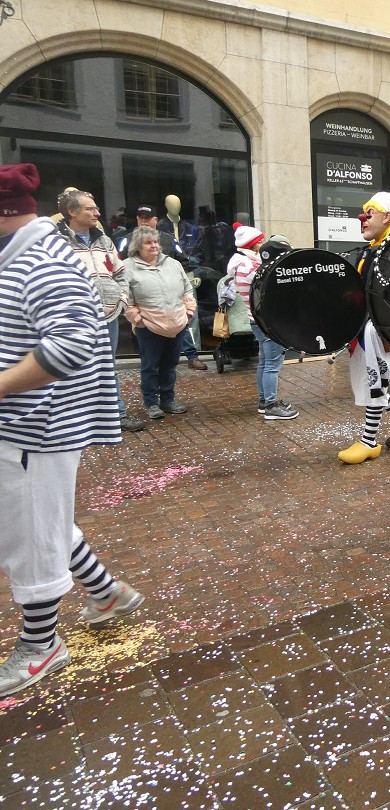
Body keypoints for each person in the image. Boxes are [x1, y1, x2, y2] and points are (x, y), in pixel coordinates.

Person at [0, 163, 145, 697]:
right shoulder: (17, 257)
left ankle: (42, 646)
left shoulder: (41, 261)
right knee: (37, 523)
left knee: (32, 534)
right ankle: (106, 594)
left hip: (36, 426)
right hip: (22, 425)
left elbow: (71, 345)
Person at [338, 193, 390, 463]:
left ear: (388, 217)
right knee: (370, 380)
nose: (363, 218)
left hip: (380, 328)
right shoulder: (374, 250)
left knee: (376, 382)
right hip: (364, 327)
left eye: (370, 212)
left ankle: (369, 441)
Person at [55, 190, 145, 433]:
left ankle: (116, 414)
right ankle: (76, 418)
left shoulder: (104, 241)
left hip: (109, 315)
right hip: (76, 319)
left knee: (107, 366)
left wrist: (122, 299)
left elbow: (119, 272)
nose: (97, 212)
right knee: (74, 366)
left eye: (96, 208)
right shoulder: (56, 242)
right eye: (90, 209)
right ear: (72, 212)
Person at [122, 226, 196, 420]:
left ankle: (168, 399)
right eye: (148, 242)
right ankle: (151, 403)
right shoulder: (127, 267)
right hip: (149, 326)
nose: (154, 245)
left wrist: (188, 313)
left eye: (155, 241)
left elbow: (187, 290)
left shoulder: (172, 263)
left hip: (177, 324)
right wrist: (138, 321)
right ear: (137, 246)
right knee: (150, 366)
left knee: (170, 365)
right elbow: (125, 300)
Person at [120, 206, 207, 370]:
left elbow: (183, 260)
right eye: (141, 217)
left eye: (148, 217)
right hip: (146, 305)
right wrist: (137, 318)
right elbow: (120, 268)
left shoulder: (167, 239)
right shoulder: (126, 239)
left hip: (172, 298)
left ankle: (191, 355)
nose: (144, 221)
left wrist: (178, 280)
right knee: (150, 361)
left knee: (181, 327)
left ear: (155, 220)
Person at [227, 223, 299, 421]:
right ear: (252, 245)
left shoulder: (241, 264)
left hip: (255, 320)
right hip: (267, 322)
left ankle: (264, 400)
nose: (264, 245)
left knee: (265, 362)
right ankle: (271, 405)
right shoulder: (251, 266)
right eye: (261, 242)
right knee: (272, 365)